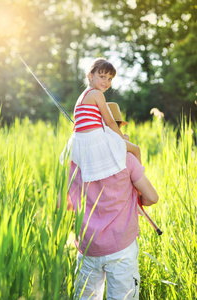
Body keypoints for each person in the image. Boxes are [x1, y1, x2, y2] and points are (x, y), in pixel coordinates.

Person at [66, 102, 159, 300]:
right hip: (121, 248)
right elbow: (151, 198)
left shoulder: (75, 162)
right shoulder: (127, 159)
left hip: (88, 246)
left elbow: (70, 204)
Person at [60, 58, 141, 183]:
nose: (106, 82)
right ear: (90, 75)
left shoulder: (82, 96)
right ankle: (139, 183)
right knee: (136, 149)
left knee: (127, 143)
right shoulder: (97, 94)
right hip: (95, 141)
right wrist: (121, 139)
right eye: (102, 76)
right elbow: (110, 122)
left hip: (80, 142)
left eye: (109, 79)